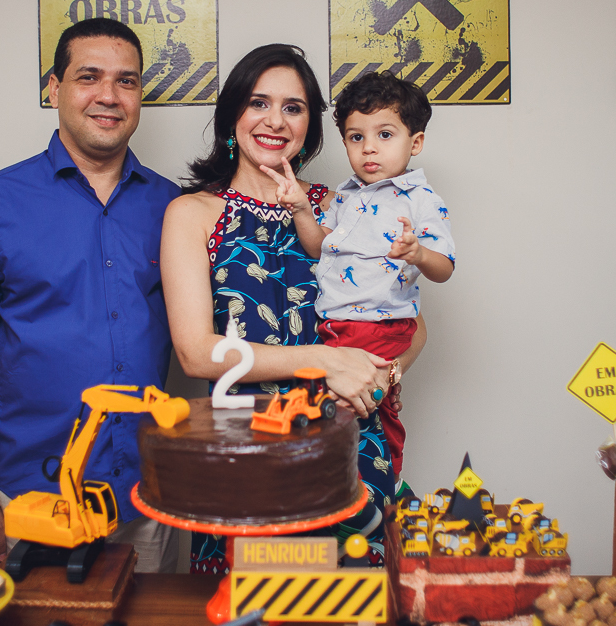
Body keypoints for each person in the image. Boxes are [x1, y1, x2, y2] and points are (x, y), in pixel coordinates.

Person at [160, 45, 427, 572]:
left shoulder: (345, 205)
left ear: (310, 124)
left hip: (351, 445)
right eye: (258, 103)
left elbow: (410, 327)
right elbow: (196, 353)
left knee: (353, 601)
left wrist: (383, 376)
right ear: (233, 113)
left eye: (294, 107)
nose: (275, 121)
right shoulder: (192, 214)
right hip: (248, 453)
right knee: (252, 603)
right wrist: (326, 361)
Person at [0, 18, 181, 572]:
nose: (109, 97)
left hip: (146, 497)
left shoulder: (175, 208)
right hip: (29, 496)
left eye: (127, 81)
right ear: (54, 88)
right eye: (88, 77)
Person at [261, 71, 455, 479]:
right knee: (353, 406)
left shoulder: (421, 200)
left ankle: (383, 476)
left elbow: (445, 268)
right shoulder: (345, 195)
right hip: (336, 323)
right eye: (355, 137)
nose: (369, 149)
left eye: (385, 135)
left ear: (414, 142)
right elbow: (319, 246)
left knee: (350, 406)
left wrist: (418, 253)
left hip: (376, 325)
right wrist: (300, 207)